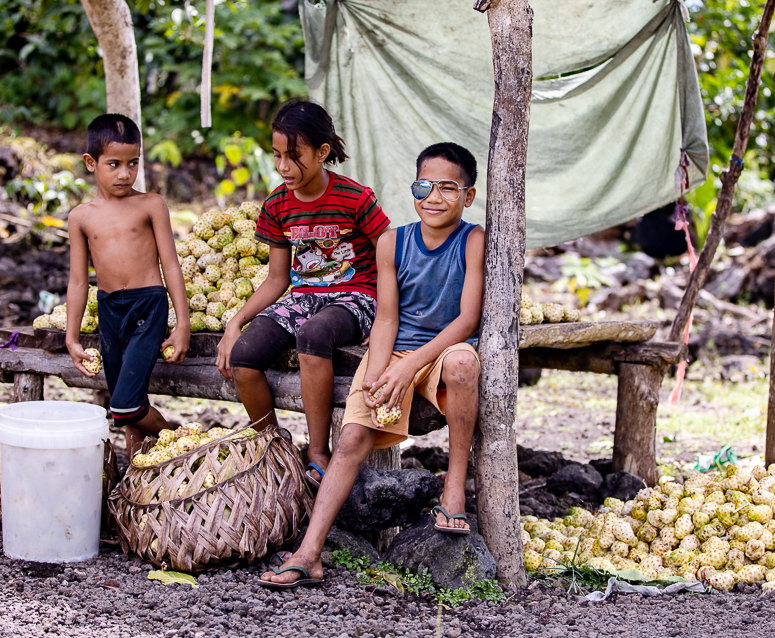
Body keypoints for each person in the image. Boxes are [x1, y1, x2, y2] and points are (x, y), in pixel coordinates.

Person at [259, 142, 485, 588]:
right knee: (351, 440)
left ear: (468, 196)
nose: (434, 197)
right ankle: (309, 553)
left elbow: (468, 319)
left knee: (463, 365)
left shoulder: (474, 240)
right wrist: (381, 372)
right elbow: (385, 318)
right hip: (396, 351)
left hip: (444, 351)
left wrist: (409, 369)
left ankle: (453, 488)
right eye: (424, 186)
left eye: (447, 188)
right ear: (412, 188)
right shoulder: (392, 242)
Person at [216, 99, 390, 486]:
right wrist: (235, 323)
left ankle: (317, 450)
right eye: (277, 155)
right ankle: (270, 447)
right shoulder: (277, 205)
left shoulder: (356, 198)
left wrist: (392, 317)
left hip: (356, 296)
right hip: (303, 298)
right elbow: (278, 280)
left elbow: (391, 257)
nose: (283, 167)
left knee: (314, 334)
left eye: (293, 157)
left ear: (322, 152)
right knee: (243, 359)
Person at [66, 113, 190, 459]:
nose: (125, 173)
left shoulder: (150, 204)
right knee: (130, 397)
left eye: (132, 163)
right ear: (91, 163)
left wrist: (182, 324)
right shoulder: (81, 216)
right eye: (114, 164)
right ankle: (141, 469)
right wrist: (71, 337)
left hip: (148, 306)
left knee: (123, 407)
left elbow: (171, 264)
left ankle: (182, 443)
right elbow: (78, 280)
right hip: (109, 309)